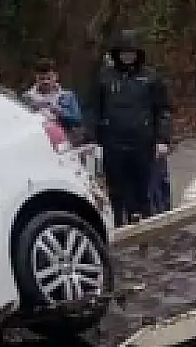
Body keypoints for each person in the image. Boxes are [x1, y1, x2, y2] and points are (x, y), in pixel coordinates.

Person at [92, 30, 172, 228]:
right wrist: (94, 138)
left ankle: (145, 229)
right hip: (113, 143)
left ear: (138, 53)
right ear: (117, 53)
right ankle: (120, 227)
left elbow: (163, 110)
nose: (128, 56)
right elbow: (94, 110)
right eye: (123, 52)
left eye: (131, 52)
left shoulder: (150, 78)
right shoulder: (105, 78)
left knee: (143, 190)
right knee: (117, 190)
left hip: (143, 142)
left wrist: (162, 139)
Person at [22, 58, 83, 136]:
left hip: (63, 138)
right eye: (42, 79)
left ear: (56, 77)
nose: (45, 82)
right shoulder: (27, 98)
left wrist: (58, 111)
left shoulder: (67, 96)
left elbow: (78, 120)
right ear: (36, 78)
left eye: (49, 78)